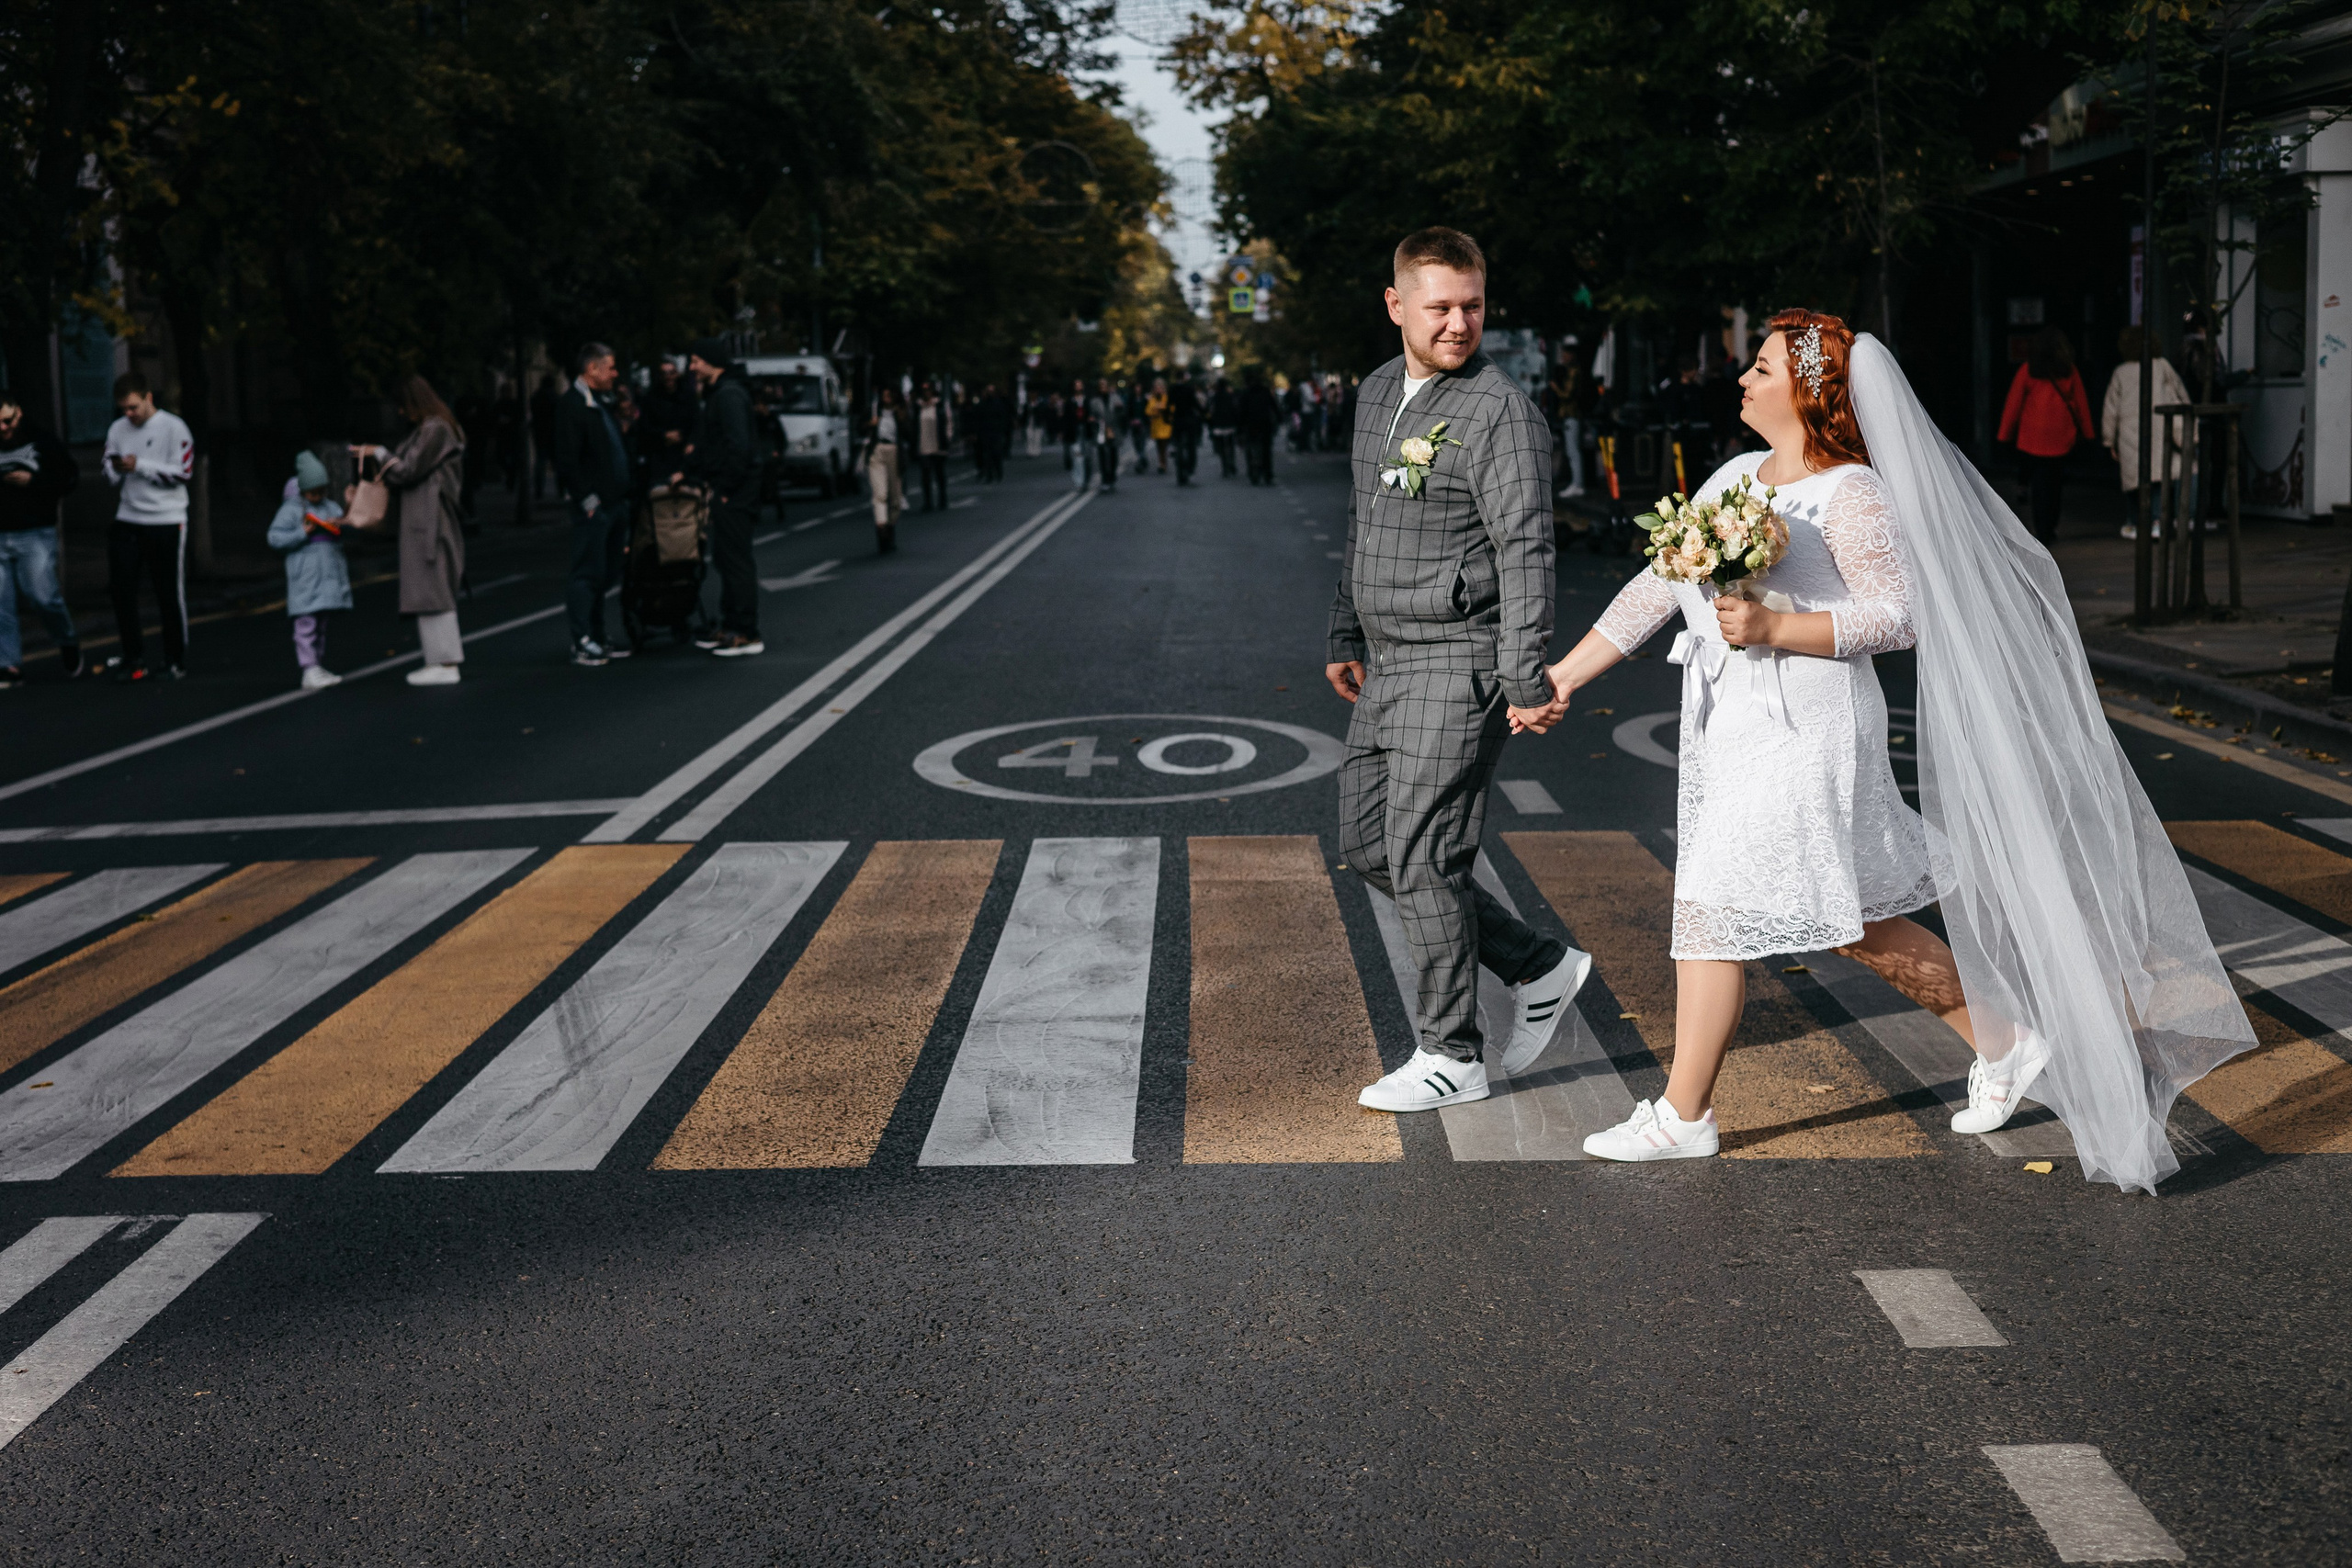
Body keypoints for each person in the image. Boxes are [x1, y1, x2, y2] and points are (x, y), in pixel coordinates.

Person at [1548, 311, 2251, 1191]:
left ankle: (1683, 1114)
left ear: (1808, 391)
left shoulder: (1853, 493)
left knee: (1711, 910)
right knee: (1853, 918)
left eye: (1760, 367)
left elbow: (1898, 615)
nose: (1742, 379)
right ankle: (2006, 1038)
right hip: (1729, 728)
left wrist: (1776, 624)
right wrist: (1565, 677)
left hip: (1812, 729)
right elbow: (1654, 587)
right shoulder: (1731, 476)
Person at [1326, 226, 1592, 1115]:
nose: (1457, 323)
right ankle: (1537, 964)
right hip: (1391, 655)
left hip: (1459, 655)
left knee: (1426, 855)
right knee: (1369, 846)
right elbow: (1364, 518)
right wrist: (1344, 630)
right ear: (1396, 305)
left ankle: (1451, 1053)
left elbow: (1527, 549)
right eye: (1438, 306)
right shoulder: (1373, 395)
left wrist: (1521, 675)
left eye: (1471, 306)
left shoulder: (1498, 413)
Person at [358, 375, 469, 685]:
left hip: (430, 521)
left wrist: (379, 453)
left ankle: (445, 663)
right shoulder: (434, 428)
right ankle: (440, 661)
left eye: (403, 407)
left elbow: (406, 470)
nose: (401, 414)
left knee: (432, 590)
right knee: (428, 590)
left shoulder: (435, 429)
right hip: (426, 519)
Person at [99, 373, 195, 682]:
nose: (129, 415)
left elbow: (183, 474)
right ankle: (132, 655)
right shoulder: (117, 429)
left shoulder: (173, 427)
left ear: (148, 398)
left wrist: (140, 465)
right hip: (129, 516)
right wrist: (115, 467)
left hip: (166, 519)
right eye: (124, 409)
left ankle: (174, 659)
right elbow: (109, 472)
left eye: (134, 407)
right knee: (122, 589)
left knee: (167, 590)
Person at [669, 340, 763, 655]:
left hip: (735, 491)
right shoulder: (722, 394)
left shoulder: (729, 395)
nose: (692, 367)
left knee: (735, 560)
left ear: (712, 362)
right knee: (726, 558)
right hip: (730, 488)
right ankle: (731, 625)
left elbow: (739, 447)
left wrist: (727, 488)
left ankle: (746, 633)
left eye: (696, 361)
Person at [552, 343, 635, 665]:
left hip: (614, 503)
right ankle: (583, 639)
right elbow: (568, 460)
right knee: (587, 572)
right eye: (610, 367)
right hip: (596, 506)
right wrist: (588, 500)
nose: (615, 374)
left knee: (606, 572)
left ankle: (598, 635)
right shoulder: (572, 406)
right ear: (592, 369)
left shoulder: (598, 403)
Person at [0, 393, 82, 685]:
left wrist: (34, 481)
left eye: (7, 421)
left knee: (41, 595)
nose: (3, 429)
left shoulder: (43, 441)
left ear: (18, 413)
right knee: (0, 602)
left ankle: (67, 639)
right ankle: (8, 664)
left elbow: (69, 479)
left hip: (34, 532)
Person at [1997, 325, 2096, 545]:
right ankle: (2050, 526)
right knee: (2055, 485)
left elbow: (2013, 405)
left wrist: (2004, 435)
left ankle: (2042, 530)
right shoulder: (2069, 371)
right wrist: (2088, 434)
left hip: (2033, 437)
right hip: (2061, 437)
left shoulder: (2028, 370)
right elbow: (2081, 405)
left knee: (2039, 485)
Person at [266, 448, 353, 690]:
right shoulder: (291, 510)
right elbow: (274, 538)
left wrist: (341, 524)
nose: (318, 496)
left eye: (322, 491)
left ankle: (317, 665)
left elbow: (348, 527)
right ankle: (308, 667)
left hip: (327, 575)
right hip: (305, 577)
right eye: (313, 492)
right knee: (306, 624)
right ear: (303, 489)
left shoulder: (330, 506)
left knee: (321, 623)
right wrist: (300, 533)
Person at [2101, 325, 2189, 540]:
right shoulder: (2162, 365)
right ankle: (2158, 522)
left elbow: (2110, 409)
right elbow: (2180, 393)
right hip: (2159, 427)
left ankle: (2134, 522)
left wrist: (2108, 439)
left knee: (2134, 479)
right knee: (2158, 477)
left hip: (2129, 432)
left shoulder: (2121, 372)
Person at [865, 387, 908, 551]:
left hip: (895, 452)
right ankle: (881, 528)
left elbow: (910, 434)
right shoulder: (874, 410)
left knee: (895, 498)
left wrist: (903, 419)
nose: (886, 399)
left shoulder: (900, 413)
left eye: (890, 396)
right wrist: (870, 423)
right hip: (877, 451)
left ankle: (890, 529)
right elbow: (859, 427)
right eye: (884, 396)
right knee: (880, 494)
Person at [914, 384, 951, 512]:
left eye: (929, 390)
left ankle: (942, 499)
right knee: (925, 475)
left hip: (938, 445)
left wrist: (948, 437)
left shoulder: (940, 405)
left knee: (940, 474)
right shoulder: (918, 407)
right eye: (924, 391)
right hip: (924, 446)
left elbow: (948, 421)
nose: (927, 393)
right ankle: (928, 501)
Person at [1238, 369, 1279, 485]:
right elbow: (1274, 407)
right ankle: (1267, 474)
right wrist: (1278, 419)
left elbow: (1241, 412)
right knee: (1266, 450)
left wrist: (1240, 428)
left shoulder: (1245, 393)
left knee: (1251, 449)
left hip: (1251, 426)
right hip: (1265, 424)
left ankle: (1253, 472)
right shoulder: (1265, 391)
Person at [1170, 376, 1204, 485]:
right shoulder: (1189, 389)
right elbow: (1195, 404)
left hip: (1177, 421)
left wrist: (1167, 418)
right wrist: (1204, 412)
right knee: (1191, 446)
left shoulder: (1173, 389)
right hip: (1189, 421)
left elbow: (1168, 405)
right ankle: (1190, 468)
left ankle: (1177, 457)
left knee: (1177, 442)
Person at [1207, 378, 1239, 479]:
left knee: (1221, 448)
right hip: (1230, 424)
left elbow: (1210, 410)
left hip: (1218, 425)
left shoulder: (1214, 397)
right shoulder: (1230, 396)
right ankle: (1232, 463)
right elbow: (1235, 409)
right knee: (1230, 445)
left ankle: (1225, 467)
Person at [1146, 378, 1173, 474]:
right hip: (1156, 426)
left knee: (1164, 445)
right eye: (1156, 388)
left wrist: (1161, 407)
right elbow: (1148, 411)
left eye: (1160, 388)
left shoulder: (1166, 398)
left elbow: (1171, 409)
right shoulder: (1152, 398)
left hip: (1165, 425)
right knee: (1159, 446)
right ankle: (1161, 462)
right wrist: (1155, 409)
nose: (1158, 390)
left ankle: (1163, 463)